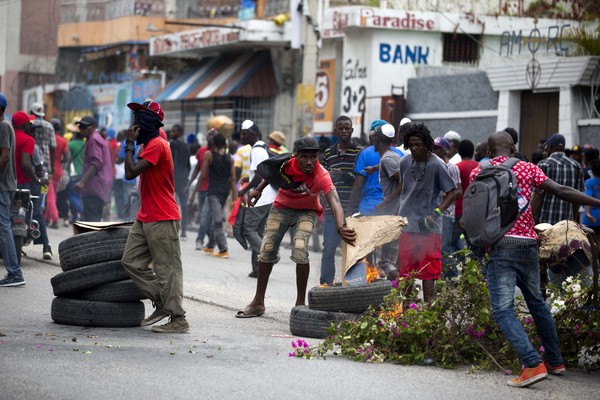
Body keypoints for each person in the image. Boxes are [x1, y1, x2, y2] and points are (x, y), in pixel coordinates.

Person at [468, 131, 600, 388]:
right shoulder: (528, 168)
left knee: (503, 311)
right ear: (514, 148)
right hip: (529, 243)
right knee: (537, 303)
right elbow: (561, 190)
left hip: (501, 246)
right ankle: (555, 361)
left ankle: (531, 364)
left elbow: (474, 214)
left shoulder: (479, 171)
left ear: (488, 151)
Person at [236, 136, 356, 318]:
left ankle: (300, 305)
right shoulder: (286, 163)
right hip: (281, 207)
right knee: (266, 250)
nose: (309, 162)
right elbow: (271, 173)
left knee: (301, 250)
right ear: (296, 156)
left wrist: (340, 226)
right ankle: (258, 302)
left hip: (306, 211)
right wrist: (258, 190)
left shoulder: (321, 174)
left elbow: (335, 200)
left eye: (313, 157)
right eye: (304, 157)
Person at [121, 100, 188, 334]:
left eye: (139, 118)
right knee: (130, 262)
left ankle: (178, 318)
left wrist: (129, 142)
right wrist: (133, 144)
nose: (134, 124)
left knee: (168, 268)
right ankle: (162, 303)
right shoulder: (148, 144)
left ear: (150, 123)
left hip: (162, 215)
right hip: (146, 215)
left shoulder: (158, 145)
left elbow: (130, 172)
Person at [397, 124, 457, 302]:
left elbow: (452, 193)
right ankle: (407, 314)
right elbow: (403, 191)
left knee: (428, 273)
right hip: (407, 226)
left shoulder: (437, 165)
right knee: (406, 272)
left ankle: (428, 317)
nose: (414, 148)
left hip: (428, 228)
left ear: (427, 145)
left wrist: (436, 213)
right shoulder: (404, 162)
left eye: (419, 145)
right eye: (411, 144)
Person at [319, 116, 362, 285]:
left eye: (347, 128)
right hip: (332, 210)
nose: (344, 131)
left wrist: (343, 175)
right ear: (336, 131)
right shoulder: (329, 153)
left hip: (353, 209)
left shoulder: (359, 151)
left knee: (353, 249)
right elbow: (322, 178)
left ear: (351, 131)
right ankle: (325, 284)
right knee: (328, 249)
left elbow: (361, 178)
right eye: (341, 128)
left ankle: (354, 286)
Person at [237, 120, 277, 277]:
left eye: (244, 133)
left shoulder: (256, 150)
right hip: (267, 196)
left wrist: (243, 191)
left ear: (252, 134)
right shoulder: (260, 148)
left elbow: (260, 176)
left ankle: (270, 256)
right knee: (258, 231)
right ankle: (258, 269)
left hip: (262, 197)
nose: (241, 136)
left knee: (249, 229)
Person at [194, 132, 237, 258]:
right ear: (225, 144)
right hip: (224, 192)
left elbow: (202, 175)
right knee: (215, 216)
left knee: (217, 219)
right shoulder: (230, 158)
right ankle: (211, 245)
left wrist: (195, 192)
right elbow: (233, 179)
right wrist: (235, 198)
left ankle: (223, 249)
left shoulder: (209, 154)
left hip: (213, 192)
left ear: (213, 144)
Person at [0, 99, 25, 287]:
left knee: (3, 227)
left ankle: (15, 273)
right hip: (5, 185)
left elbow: (5, 155)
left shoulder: (3, 127)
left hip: (2, 186)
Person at [533, 133, 584, 225]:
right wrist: (573, 219)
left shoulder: (543, 164)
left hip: (545, 222)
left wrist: (531, 217)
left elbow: (538, 194)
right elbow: (578, 197)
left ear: (550, 147)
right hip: (566, 224)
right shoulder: (576, 166)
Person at [373, 124, 401, 281]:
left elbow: (403, 181)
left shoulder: (388, 159)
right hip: (394, 213)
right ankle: (400, 293)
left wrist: (386, 202)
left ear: (377, 140)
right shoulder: (392, 156)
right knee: (391, 261)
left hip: (392, 214)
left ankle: (403, 289)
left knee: (385, 262)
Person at [431, 137, 461, 280]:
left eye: (436, 148)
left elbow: (458, 191)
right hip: (434, 213)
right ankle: (442, 276)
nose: (433, 150)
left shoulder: (452, 167)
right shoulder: (432, 165)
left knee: (445, 246)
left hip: (447, 213)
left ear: (443, 150)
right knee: (436, 247)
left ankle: (453, 275)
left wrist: (444, 193)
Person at [74, 116, 113, 222]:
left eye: (85, 127)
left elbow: (96, 163)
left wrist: (82, 182)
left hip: (94, 187)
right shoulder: (95, 138)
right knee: (92, 221)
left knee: (91, 223)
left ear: (93, 127)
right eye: (80, 127)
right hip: (97, 187)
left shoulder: (93, 140)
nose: (82, 129)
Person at [187, 129, 216, 250]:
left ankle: (201, 239)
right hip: (202, 188)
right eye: (209, 134)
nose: (210, 137)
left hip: (214, 190)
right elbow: (197, 170)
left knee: (206, 216)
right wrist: (189, 185)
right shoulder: (201, 151)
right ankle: (210, 240)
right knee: (205, 216)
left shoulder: (219, 153)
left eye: (213, 135)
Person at [45, 118, 69, 229]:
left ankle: (54, 219)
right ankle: (47, 218)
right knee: (53, 196)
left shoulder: (48, 139)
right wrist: (59, 161)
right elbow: (67, 157)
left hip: (49, 170)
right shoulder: (63, 141)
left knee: (49, 196)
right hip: (58, 171)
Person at [169, 124, 190, 240]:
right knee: (184, 205)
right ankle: (184, 231)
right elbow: (187, 165)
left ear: (179, 133)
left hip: (174, 178)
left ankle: (173, 229)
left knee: (171, 204)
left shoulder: (173, 144)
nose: (171, 133)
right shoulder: (186, 146)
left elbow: (171, 162)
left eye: (174, 131)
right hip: (183, 178)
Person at [66, 118, 84, 224]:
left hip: (73, 173)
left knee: (71, 196)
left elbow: (67, 159)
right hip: (83, 173)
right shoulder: (85, 144)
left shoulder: (71, 145)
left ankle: (82, 212)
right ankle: (74, 217)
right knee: (77, 196)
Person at [581, 159, 600, 251]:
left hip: (591, 218)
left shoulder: (589, 182)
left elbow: (589, 197)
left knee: (590, 243)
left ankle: (594, 263)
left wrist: (588, 213)